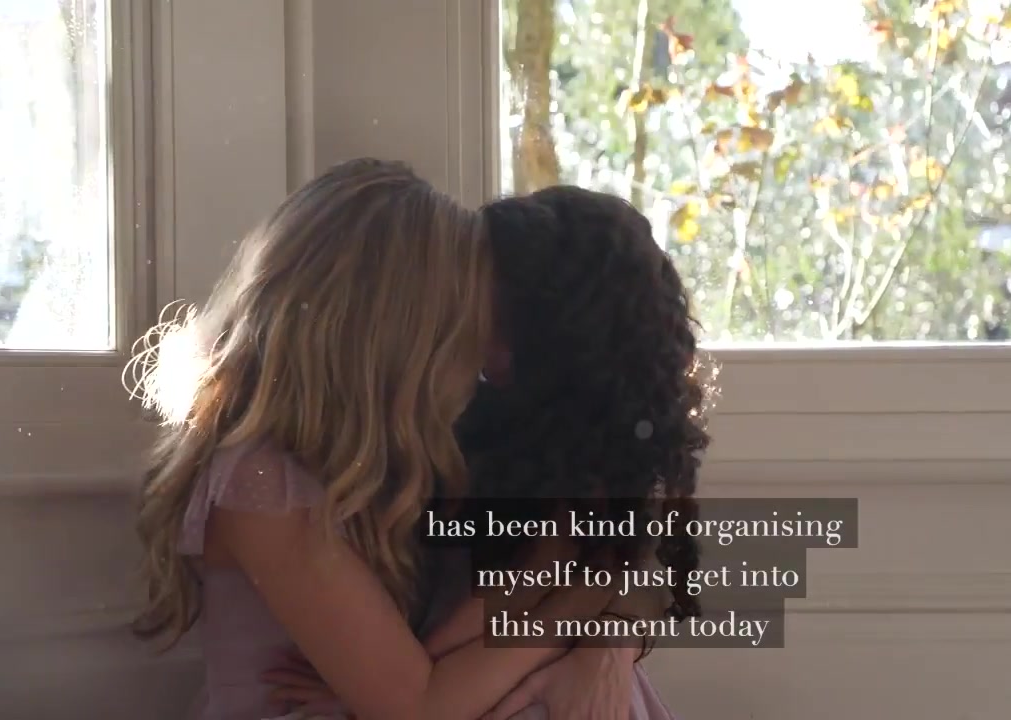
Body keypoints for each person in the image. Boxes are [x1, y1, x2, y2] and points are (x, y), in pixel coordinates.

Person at [129, 159, 614, 720]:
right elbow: (416, 708)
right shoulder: (259, 483)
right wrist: (574, 609)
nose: (482, 359)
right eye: (462, 332)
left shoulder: (384, 455)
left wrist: (603, 642)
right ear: (396, 342)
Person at [265, 186, 717, 719]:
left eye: (504, 316)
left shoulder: (581, 466)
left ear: (558, 337)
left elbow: (530, 599)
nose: (480, 333)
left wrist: (605, 642)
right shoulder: (465, 409)